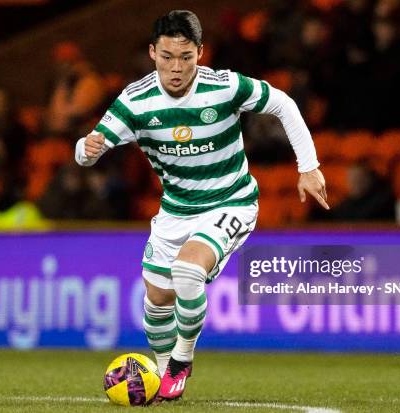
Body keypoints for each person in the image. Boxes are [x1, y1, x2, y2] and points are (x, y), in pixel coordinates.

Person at [74, 10, 328, 401]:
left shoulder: (225, 87)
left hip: (231, 201)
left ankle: (181, 360)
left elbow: (284, 104)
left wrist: (308, 167)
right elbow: (90, 149)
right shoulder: (135, 101)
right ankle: (161, 377)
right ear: (152, 53)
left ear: (201, 53)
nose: (176, 68)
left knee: (188, 270)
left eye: (186, 57)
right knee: (157, 299)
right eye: (167, 57)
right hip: (175, 211)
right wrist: (84, 151)